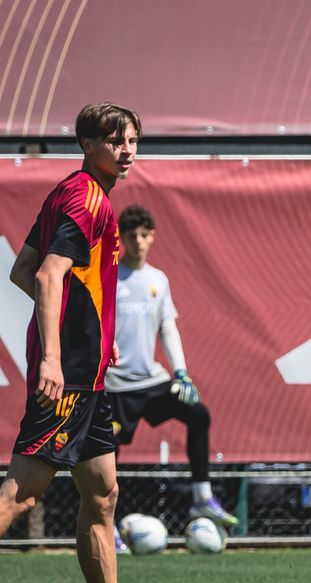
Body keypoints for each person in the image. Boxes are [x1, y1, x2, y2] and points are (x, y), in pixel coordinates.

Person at [0, 103, 183, 583]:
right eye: (117, 141)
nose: (129, 151)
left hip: (87, 373)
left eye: (135, 141)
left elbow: (20, 270)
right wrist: (55, 355)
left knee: (102, 494)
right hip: (68, 377)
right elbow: (47, 275)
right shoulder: (84, 198)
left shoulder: (70, 192)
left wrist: (88, 331)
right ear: (87, 143)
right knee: (20, 495)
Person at [106, 203, 236, 550]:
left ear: (152, 237)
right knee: (106, 454)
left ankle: (201, 497)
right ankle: (107, 526)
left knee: (198, 414)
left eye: (144, 235)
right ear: (121, 238)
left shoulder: (158, 280)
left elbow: (167, 327)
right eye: (131, 235)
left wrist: (181, 371)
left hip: (152, 381)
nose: (138, 241)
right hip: (115, 387)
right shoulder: (108, 276)